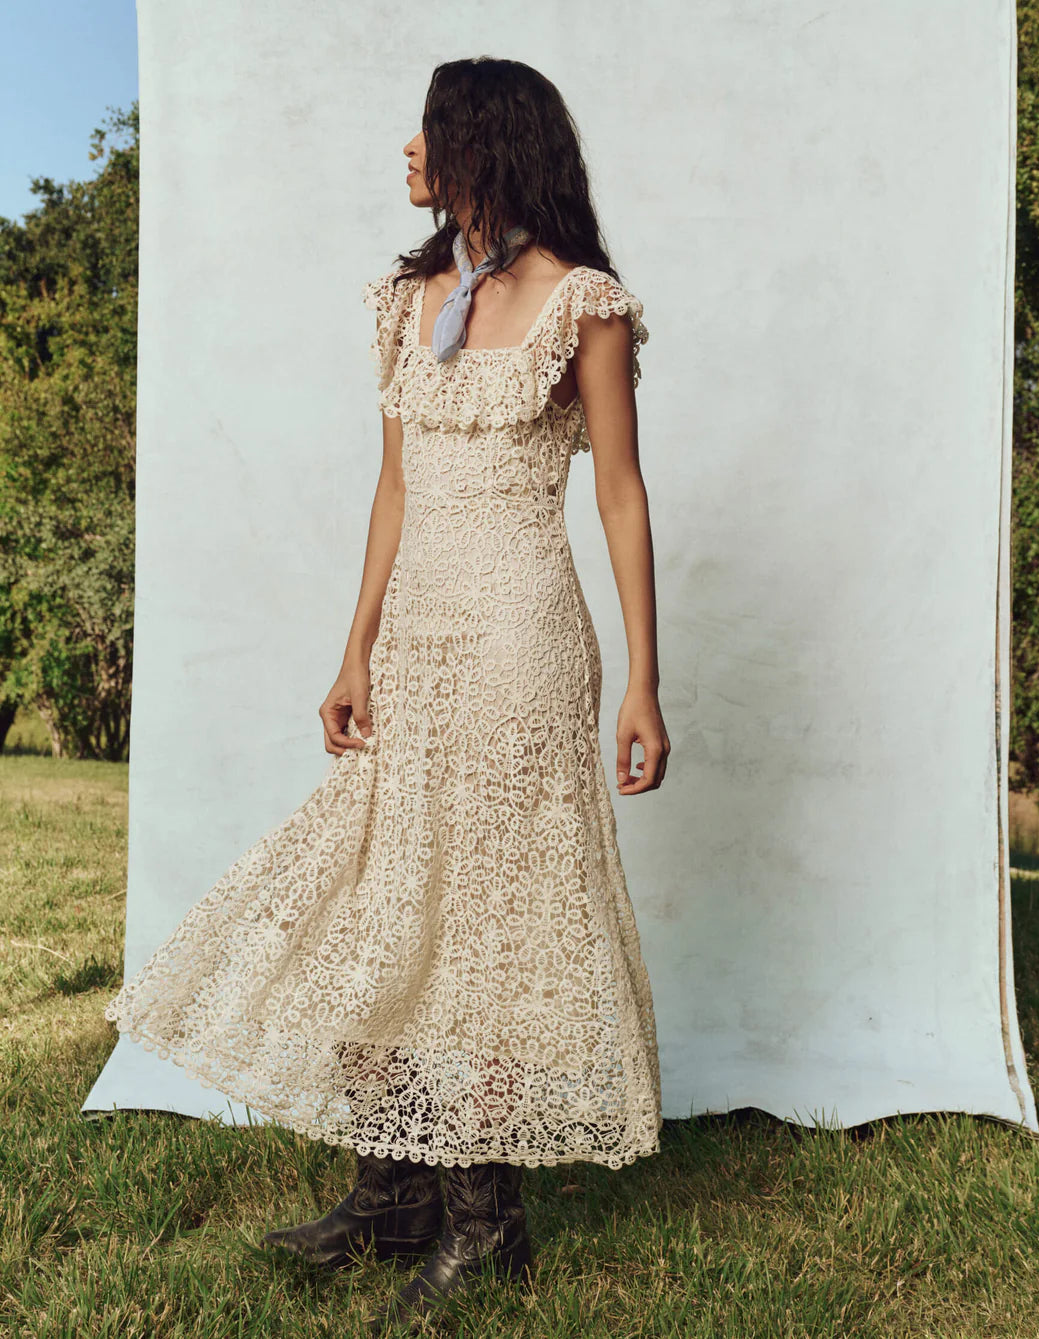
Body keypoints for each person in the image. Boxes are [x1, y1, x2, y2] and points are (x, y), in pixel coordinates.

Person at [103, 55, 670, 1336]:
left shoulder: (588, 307)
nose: (409, 154)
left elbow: (623, 495)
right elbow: (395, 489)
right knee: (386, 888)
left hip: (526, 638)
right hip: (417, 634)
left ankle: (487, 1220)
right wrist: (354, 646)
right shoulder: (407, 301)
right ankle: (392, 1190)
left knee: (489, 910)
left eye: (431, 134)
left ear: (488, 147)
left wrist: (644, 678)